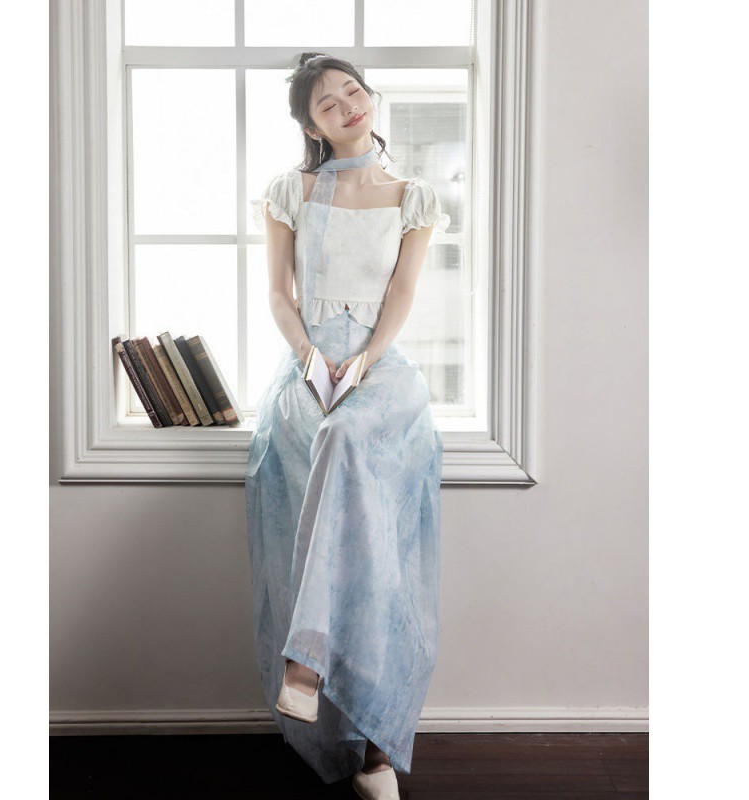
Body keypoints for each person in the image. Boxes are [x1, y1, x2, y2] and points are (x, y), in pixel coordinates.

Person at [245, 52, 450, 798]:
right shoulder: (290, 192)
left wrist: (362, 362)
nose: (347, 106)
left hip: (380, 367)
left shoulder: (413, 197)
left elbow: (401, 295)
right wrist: (311, 359)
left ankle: (307, 666)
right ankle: (370, 758)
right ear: (312, 126)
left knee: (346, 438)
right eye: (327, 104)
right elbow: (279, 293)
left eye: (353, 91)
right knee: (351, 519)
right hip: (306, 366)